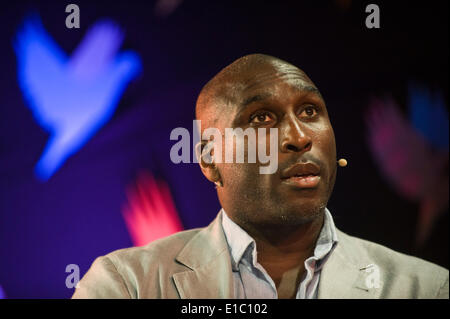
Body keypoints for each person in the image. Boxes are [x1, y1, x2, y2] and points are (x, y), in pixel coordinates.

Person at [72, 54, 449, 299]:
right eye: (261, 119)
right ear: (209, 159)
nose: (300, 137)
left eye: (309, 110)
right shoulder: (126, 285)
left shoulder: (426, 288)